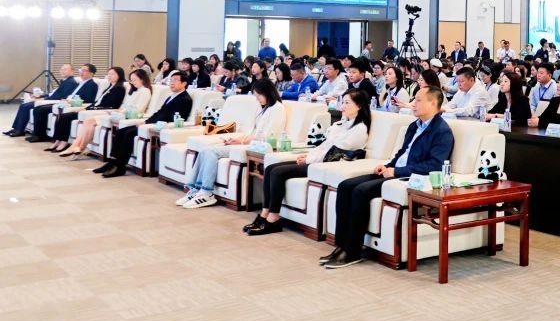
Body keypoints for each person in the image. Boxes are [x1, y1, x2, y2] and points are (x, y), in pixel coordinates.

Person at [323, 87, 454, 269]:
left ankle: (353, 251)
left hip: (407, 177)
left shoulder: (441, 131)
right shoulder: (414, 125)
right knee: (345, 186)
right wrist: (388, 166)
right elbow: (402, 153)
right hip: (394, 171)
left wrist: (396, 171)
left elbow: (434, 165)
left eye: (418, 100)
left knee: (361, 191)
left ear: (433, 103)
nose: (413, 104)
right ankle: (342, 245)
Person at [246, 90, 372, 236]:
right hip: (317, 160)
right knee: (270, 168)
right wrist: (308, 155)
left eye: (347, 103)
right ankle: (264, 214)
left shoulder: (359, 129)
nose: (342, 106)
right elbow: (325, 146)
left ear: (359, 106)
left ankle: (273, 219)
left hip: (327, 164)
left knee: (277, 172)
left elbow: (334, 153)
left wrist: (308, 160)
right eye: (342, 102)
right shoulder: (343, 123)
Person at [178, 79, 286, 209]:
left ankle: (206, 192)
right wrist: (237, 140)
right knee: (205, 150)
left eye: (259, 95)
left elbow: (267, 137)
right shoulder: (265, 108)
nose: (257, 99)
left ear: (268, 92)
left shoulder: (277, 109)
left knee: (212, 152)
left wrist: (241, 141)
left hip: (260, 147)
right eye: (256, 95)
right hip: (250, 143)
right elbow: (253, 132)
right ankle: (194, 189)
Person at [96, 72, 193, 177]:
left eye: (175, 80)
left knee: (129, 134)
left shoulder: (185, 99)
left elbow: (173, 118)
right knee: (121, 132)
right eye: (171, 80)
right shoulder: (171, 96)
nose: (172, 83)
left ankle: (120, 167)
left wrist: (149, 124)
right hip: (152, 122)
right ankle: (112, 162)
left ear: (184, 83)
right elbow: (159, 112)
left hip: (161, 126)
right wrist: (146, 121)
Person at [60, 68, 153, 159]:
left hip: (126, 116)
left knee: (90, 121)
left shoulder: (145, 91)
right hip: (120, 113)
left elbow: (139, 110)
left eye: (134, 80)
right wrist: (119, 111)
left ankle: (79, 147)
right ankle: (77, 147)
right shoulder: (135, 90)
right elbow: (125, 106)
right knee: (88, 121)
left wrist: (120, 111)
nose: (132, 82)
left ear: (142, 79)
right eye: (131, 80)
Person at [45, 66, 126, 153]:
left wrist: (90, 109)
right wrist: (86, 108)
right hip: (93, 109)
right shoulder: (110, 87)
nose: (109, 76)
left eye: (112, 74)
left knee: (66, 117)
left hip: (99, 111)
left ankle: (64, 142)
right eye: (108, 74)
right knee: (63, 116)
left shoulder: (119, 88)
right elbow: (97, 102)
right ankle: (57, 141)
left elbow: (111, 105)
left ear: (119, 75)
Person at [27, 64, 99, 143]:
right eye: (80, 70)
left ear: (91, 73)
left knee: (41, 110)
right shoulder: (81, 83)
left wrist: (71, 101)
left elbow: (88, 100)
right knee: (38, 108)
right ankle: (37, 134)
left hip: (72, 104)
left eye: (84, 71)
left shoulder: (92, 84)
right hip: (66, 102)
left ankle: (40, 136)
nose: (81, 72)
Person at [5, 64, 77, 137]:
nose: (62, 71)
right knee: (23, 105)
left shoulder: (70, 82)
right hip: (49, 99)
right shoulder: (65, 81)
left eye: (65, 69)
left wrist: (43, 99)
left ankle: (20, 130)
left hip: (53, 102)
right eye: (61, 69)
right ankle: (16, 128)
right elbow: (53, 94)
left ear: (72, 71)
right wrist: (40, 96)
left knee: (26, 106)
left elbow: (60, 96)